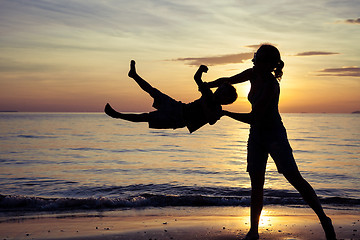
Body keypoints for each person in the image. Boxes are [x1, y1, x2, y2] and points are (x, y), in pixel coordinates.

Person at [206, 44, 337, 240]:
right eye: (255, 58)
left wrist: (224, 113)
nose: (254, 61)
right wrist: (206, 85)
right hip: (256, 136)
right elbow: (227, 80)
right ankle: (253, 231)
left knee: (295, 179)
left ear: (268, 64)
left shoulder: (271, 86)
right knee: (256, 184)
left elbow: (254, 117)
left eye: (258, 59)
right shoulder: (252, 73)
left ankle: (325, 220)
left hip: (274, 135)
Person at [105, 60, 238, 133]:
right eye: (219, 89)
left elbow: (211, 120)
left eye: (222, 93)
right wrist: (200, 69)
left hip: (178, 120)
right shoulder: (208, 93)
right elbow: (196, 78)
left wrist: (207, 106)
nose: (218, 92)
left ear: (226, 100)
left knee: (146, 117)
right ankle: (134, 75)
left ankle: (118, 115)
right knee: (153, 91)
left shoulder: (218, 110)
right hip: (178, 107)